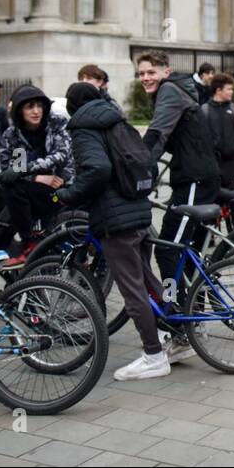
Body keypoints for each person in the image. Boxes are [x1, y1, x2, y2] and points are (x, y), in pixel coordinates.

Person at [54, 82, 172, 381]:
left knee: (133, 292)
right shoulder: (117, 120)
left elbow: (96, 170)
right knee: (148, 282)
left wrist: (68, 194)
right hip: (140, 213)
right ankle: (178, 334)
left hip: (116, 221)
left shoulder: (83, 128)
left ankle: (154, 355)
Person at [137, 49, 221, 300]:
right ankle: (197, 310)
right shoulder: (177, 90)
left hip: (194, 179)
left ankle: (176, 311)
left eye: (151, 72)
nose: (145, 77)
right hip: (198, 175)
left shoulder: (169, 90)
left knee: (167, 251)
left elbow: (157, 133)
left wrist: (136, 167)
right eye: (141, 73)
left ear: (166, 72)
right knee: (187, 251)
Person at [0, 85, 75, 264]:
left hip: (60, 190)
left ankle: (32, 244)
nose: (36, 111)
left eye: (39, 106)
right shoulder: (13, 134)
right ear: (20, 111)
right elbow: (9, 170)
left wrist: (26, 170)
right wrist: (36, 177)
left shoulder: (57, 123)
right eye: (30, 107)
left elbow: (61, 155)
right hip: (28, 192)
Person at [202, 73, 234, 192]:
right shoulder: (204, 110)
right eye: (229, 89)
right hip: (212, 165)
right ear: (218, 90)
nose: (231, 92)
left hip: (232, 164)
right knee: (214, 202)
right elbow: (199, 137)